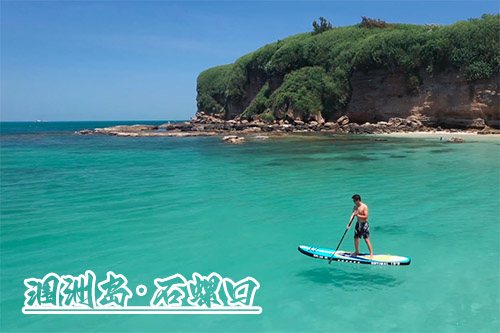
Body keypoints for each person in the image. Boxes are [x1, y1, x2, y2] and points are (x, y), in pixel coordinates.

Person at [348, 194, 373, 259]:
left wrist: (358, 215)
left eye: (354, 201)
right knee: (356, 238)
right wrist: (349, 224)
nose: (354, 202)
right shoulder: (355, 207)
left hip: (364, 224)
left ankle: (371, 254)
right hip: (358, 224)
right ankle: (356, 251)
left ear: (358, 200)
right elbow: (353, 215)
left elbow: (366, 216)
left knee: (366, 239)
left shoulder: (364, 207)